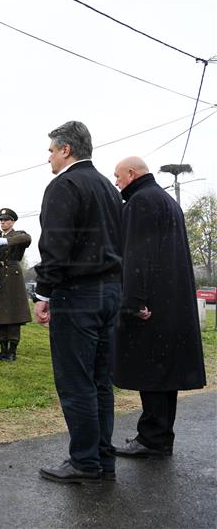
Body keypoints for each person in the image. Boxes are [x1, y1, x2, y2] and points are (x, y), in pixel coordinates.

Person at [33, 121, 123, 484]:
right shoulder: (107, 187)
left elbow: (56, 245)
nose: (49, 158)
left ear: (66, 149)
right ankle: (103, 458)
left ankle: (84, 462)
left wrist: (43, 293)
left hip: (78, 293)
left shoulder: (64, 185)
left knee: (76, 381)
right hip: (110, 290)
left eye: (52, 150)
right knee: (101, 381)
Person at [111, 156, 206, 458]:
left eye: (118, 176)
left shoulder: (140, 202)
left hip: (150, 305)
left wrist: (134, 302)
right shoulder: (166, 200)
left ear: (132, 173)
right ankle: (160, 436)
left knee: (150, 370)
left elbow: (137, 255)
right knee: (165, 375)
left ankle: (151, 439)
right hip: (171, 301)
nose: (116, 183)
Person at [0, 208, 31, 361]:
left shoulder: (17, 235)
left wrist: (6, 241)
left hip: (12, 278)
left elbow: (27, 238)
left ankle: (12, 350)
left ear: (12, 222)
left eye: (6, 220)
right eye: (1, 220)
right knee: (0, 315)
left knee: (13, 315)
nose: (3, 222)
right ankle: (2, 349)